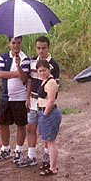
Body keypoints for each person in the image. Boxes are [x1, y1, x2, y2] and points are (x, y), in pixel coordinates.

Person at [18, 36, 60, 169]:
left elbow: (54, 88)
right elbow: (29, 81)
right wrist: (27, 98)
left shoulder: (53, 65)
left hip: (45, 103)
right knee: (31, 128)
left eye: (43, 48)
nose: (41, 51)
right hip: (33, 101)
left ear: (48, 48)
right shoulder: (32, 62)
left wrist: (48, 105)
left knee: (47, 132)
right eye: (38, 48)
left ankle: (47, 155)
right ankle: (31, 156)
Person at [0, 36, 30, 164]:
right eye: (13, 43)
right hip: (6, 96)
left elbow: (24, 78)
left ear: (21, 43)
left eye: (18, 43)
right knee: (3, 123)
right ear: (9, 43)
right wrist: (15, 74)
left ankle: (18, 150)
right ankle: (5, 148)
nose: (16, 46)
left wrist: (18, 66)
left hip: (20, 97)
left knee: (21, 124)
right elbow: (0, 74)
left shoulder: (25, 59)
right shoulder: (3, 57)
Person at [35, 60, 62, 176]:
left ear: (49, 70)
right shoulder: (44, 81)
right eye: (40, 71)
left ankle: (53, 168)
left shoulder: (51, 82)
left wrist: (45, 114)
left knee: (51, 142)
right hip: (44, 112)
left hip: (49, 113)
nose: (42, 73)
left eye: (44, 70)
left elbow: (51, 101)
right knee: (48, 140)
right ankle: (51, 164)